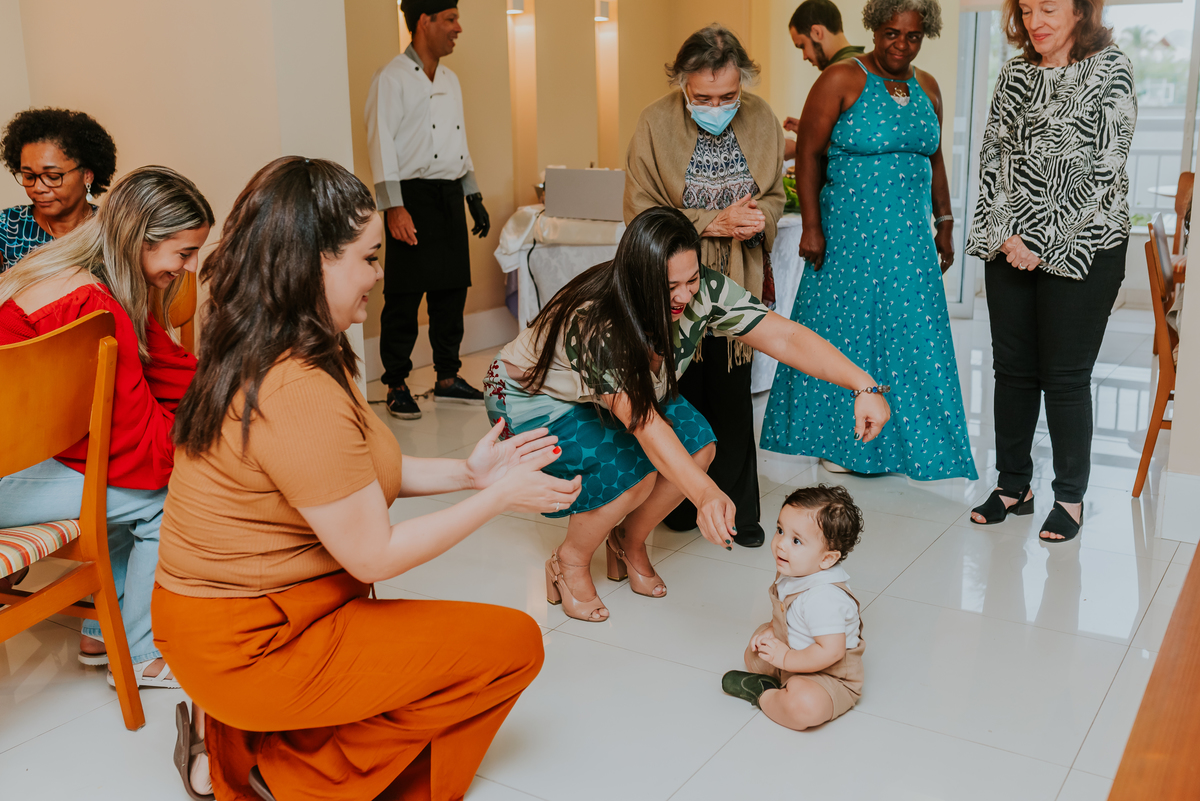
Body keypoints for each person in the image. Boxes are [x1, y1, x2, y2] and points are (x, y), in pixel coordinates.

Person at [154, 157, 571, 801]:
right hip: (248, 645)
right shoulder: (293, 384)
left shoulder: (287, 342)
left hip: (248, 619)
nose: (381, 275)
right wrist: (496, 499)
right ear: (313, 261)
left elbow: (351, 474)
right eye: (369, 259)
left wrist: (468, 470)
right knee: (513, 645)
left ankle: (243, 743)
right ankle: (288, 776)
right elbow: (372, 555)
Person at [485, 207, 891, 623]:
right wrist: (705, 494)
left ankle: (628, 539)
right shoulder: (598, 322)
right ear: (638, 278)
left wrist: (863, 384)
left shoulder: (703, 292)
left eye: (691, 279)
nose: (683, 295)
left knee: (699, 447)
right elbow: (643, 423)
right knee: (632, 472)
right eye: (669, 285)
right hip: (530, 397)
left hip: (628, 390)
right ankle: (569, 561)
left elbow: (783, 336)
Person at [0, 166, 212, 687]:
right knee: (163, 494)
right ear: (140, 238)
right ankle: (139, 656)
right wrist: (212, 444)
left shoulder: (97, 280)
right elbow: (137, 446)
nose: (188, 268)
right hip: (9, 473)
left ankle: (105, 637)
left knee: (124, 488)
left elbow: (167, 367)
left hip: (23, 456)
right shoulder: (89, 302)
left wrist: (239, 391)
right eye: (183, 253)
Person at [760, 0, 978, 483]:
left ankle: (907, 443)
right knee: (846, 334)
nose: (902, 44)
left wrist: (945, 221)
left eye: (914, 36)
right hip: (849, 238)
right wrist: (812, 227)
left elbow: (935, 160)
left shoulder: (929, 88)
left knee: (912, 337)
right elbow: (811, 157)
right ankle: (839, 442)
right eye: (892, 33)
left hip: (909, 241)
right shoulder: (840, 79)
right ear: (875, 30)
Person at [966, 0, 1135, 542]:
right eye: (1026, 8)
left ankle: (1069, 497)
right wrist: (1009, 234)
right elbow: (994, 157)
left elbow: (1105, 165)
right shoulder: (1015, 72)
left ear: (1082, 10)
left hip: (1086, 243)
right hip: (1009, 242)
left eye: (1049, 8)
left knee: (1064, 378)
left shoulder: (1112, 68)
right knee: (1012, 370)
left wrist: (1043, 238)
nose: (1035, 20)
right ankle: (1014, 486)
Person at [624, 24, 786, 548]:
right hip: (675, 292)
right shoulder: (654, 124)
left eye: (728, 97)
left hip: (734, 281)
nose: (717, 106)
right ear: (682, 85)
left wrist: (759, 217)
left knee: (734, 398)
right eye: (703, 98)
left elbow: (774, 196)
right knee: (679, 398)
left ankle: (738, 509)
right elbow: (640, 212)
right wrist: (708, 221)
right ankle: (678, 503)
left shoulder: (761, 118)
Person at [365, 0, 491, 420]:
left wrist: (473, 196)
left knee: (451, 291)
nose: (458, 28)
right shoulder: (392, 78)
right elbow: (380, 144)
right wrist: (393, 208)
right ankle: (396, 382)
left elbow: (461, 141)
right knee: (404, 294)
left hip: (449, 193)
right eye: (450, 19)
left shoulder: (451, 80)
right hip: (411, 197)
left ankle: (447, 377)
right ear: (425, 21)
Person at [722, 484, 865, 730]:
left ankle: (763, 694)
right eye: (780, 530)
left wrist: (786, 658)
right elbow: (788, 615)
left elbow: (831, 652)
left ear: (827, 558)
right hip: (794, 658)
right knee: (753, 653)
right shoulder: (796, 569)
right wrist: (771, 630)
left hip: (830, 676)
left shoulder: (824, 598)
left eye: (796, 540)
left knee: (805, 706)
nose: (781, 544)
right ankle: (783, 684)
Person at [0, 108, 117, 272]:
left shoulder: (114, 231)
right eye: (29, 176)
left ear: (87, 175)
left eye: (53, 176)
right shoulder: (6, 227)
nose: (38, 188)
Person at [783, 0, 867, 160]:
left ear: (816, 32)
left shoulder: (838, 74)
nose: (804, 56)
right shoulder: (864, 65)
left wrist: (798, 147)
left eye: (802, 46)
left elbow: (856, 146)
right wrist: (812, 131)